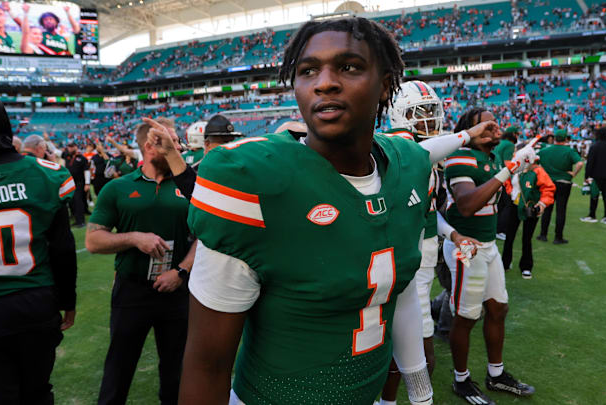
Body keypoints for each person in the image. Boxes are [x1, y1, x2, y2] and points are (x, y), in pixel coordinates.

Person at [177, 17, 497, 405]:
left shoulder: (407, 169)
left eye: (349, 67)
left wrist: (420, 390)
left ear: (385, 86)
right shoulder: (253, 180)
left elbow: (398, 292)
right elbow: (206, 364)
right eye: (308, 70)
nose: (324, 82)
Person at [0, 88, 77, 404]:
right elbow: (62, 248)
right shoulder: (46, 173)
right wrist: (68, 299)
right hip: (37, 304)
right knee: (37, 393)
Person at [378, 80, 485, 405]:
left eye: (431, 111)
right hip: (399, 264)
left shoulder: (426, 156)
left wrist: (452, 234)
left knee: (406, 351)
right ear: (399, 115)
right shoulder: (398, 147)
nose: (427, 119)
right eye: (418, 112)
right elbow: (419, 154)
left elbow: (424, 212)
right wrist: (467, 134)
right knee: (416, 353)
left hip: (417, 263)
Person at [85, 117, 196, 405]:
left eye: (178, 142)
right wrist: (134, 238)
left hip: (177, 290)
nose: (178, 148)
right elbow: (93, 241)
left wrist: (181, 272)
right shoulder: (118, 188)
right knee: (118, 369)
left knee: (177, 371)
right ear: (149, 146)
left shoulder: (190, 186)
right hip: (131, 290)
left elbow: (206, 236)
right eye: (170, 142)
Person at [443, 107, 536, 405]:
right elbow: (468, 204)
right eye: (488, 122)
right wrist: (509, 170)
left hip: (487, 246)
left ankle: (495, 375)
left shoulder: (491, 157)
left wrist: (517, 169)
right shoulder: (461, 158)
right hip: (465, 248)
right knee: (467, 315)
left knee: (498, 308)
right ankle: (461, 380)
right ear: (472, 130)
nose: (496, 126)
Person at [501, 145, 555, 279]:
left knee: (527, 238)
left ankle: (526, 266)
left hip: (530, 207)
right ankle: (505, 263)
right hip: (514, 206)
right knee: (509, 236)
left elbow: (548, 188)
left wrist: (542, 204)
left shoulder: (537, 171)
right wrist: (510, 193)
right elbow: (507, 182)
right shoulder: (514, 168)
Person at [537, 129, 583, 244]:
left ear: (554, 139)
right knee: (561, 210)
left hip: (548, 183)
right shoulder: (569, 151)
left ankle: (543, 234)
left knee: (547, 209)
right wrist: (574, 174)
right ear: (566, 139)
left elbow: (534, 160)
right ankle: (558, 237)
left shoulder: (545, 150)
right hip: (564, 182)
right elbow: (580, 163)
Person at [580, 130, 606, 225]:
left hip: (596, 175)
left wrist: (586, 175)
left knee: (594, 195)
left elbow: (590, 162)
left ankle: (592, 215)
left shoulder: (595, 146)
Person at [493, 126, 518, 240]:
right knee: (507, 205)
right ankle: (500, 230)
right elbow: (508, 163)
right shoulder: (509, 145)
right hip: (504, 178)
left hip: (495, 175)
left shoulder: (499, 143)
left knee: (499, 205)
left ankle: (496, 228)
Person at [62, 142, 89, 227]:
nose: (69, 148)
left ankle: (81, 221)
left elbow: (86, 171)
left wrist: (87, 183)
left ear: (76, 147)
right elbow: (55, 151)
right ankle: (76, 218)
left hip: (79, 182)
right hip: (69, 182)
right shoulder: (67, 155)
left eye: (71, 147)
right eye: (69, 147)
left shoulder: (82, 158)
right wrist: (47, 141)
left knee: (78, 201)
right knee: (71, 201)